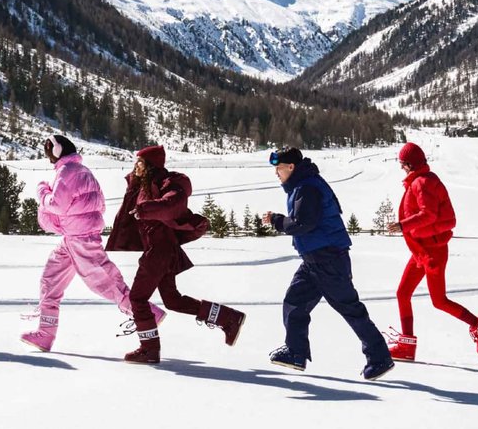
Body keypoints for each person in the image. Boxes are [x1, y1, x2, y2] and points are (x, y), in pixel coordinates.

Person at [20, 135, 166, 351]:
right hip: (73, 237)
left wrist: (42, 192)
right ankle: (45, 334)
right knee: (50, 280)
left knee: (106, 282)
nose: (47, 155)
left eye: (48, 150)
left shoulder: (68, 172)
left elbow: (58, 205)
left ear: (58, 151)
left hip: (81, 238)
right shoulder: (82, 171)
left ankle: (147, 313)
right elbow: (100, 204)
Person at [105, 145, 245, 364]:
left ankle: (149, 349)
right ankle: (229, 318)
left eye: (140, 162)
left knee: (137, 298)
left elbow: (172, 204)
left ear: (150, 165)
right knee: (173, 300)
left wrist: (145, 209)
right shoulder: (143, 185)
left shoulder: (166, 183)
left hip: (159, 251)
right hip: (159, 249)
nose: (136, 166)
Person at [264, 148, 394, 381]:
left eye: (279, 167)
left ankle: (379, 357)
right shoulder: (302, 186)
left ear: (291, 167)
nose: (276, 172)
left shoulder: (307, 187)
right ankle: (295, 352)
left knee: (350, 309)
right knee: (294, 302)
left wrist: (277, 220)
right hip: (314, 260)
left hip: (328, 259)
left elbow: (303, 224)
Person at [385, 142, 478, 361]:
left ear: (410, 164)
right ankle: (407, 345)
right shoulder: (419, 181)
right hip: (422, 251)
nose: (401, 168)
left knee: (439, 301)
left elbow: (429, 215)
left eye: (402, 164)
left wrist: (403, 225)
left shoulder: (422, 183)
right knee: (403, 293)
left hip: (432, 252)